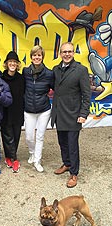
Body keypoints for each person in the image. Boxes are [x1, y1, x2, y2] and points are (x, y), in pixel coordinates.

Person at [51, 42, 91, 188]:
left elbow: (87, 94)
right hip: (59, 114)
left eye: (69, 51)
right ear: (60, 54)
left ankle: (74, 173)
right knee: (62, 143)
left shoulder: (80, 70)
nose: (67, 54)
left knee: (72, 145)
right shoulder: (56, 70)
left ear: (73, 53)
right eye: (64, 52)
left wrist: (83, 113)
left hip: (74, 115)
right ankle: (67, 164)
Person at [23, 45, 54, 172]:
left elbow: (56, 88)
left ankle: (37, 160)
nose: (37, 57)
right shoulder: (25, 71)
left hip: (44, 109)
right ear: (31, 57)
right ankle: (32, 152)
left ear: (42, 57)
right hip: (29, 109)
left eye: (39, 55)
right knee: (29, 137)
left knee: (40, 136)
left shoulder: (49, 73)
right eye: (34, 55)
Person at [1, 51, 25, 173]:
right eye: (10, 62)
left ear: (17, 64)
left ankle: (10, 155)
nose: (12, 64)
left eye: (14, 62)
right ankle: (13, 158)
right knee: (6, 135)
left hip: (17, 112)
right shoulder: (1, 77)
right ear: (6, 64)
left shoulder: (21, 78)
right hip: (5, 112)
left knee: (16, 135)